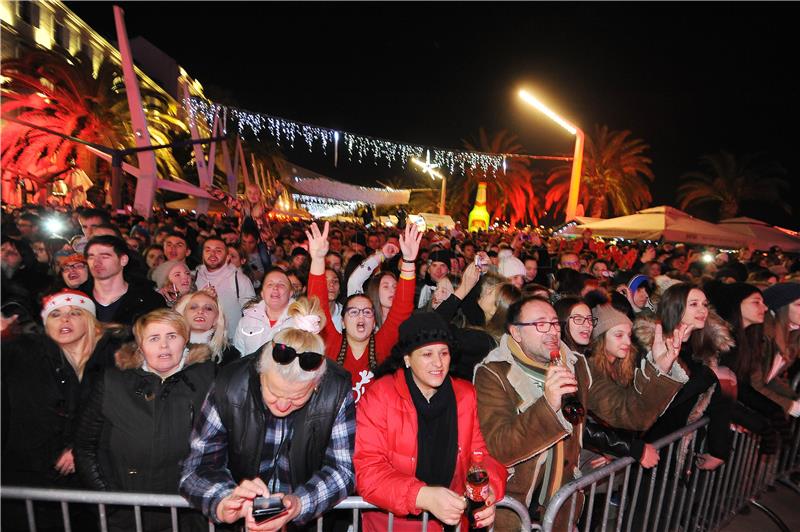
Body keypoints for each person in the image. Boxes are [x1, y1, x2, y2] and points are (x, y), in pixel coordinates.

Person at [473, 296, 685, 530]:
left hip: (559, 507)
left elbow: (627, 412)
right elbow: (500, 448)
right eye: (541, 324)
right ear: (516, 332)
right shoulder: (494, 374)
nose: (552, 331)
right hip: (512, 508)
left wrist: (660, 367)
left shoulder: (576, 365)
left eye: (554, 323)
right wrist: (548, 404)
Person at [179, 297, 355, 530]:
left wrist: (299, 503)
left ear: (316, 385)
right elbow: (196, 466)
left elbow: (342, 470)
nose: (282, 405)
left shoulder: (336, 388)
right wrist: (224, 500)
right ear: (260, 372)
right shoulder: (229, 383)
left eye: (296, 398)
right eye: (272, 392)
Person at [355, 312, 506, 531]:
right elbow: (368, 471)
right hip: (393, 525)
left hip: (451, 524)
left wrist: (488, 487)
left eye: (444, 353)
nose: (438, 363)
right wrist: (421, 496)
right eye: (427, 354)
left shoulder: (465, 394)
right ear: (407, 358)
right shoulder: (380, 396)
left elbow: (479, 454)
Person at [75, 309, 215, 532]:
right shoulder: (112, 382)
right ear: (140, 345)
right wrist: (108, 498)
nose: (164, 346)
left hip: (187, 513)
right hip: (127, 514)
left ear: (185, 341)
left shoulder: (208, 379)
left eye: (172, 336)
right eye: (154, 338)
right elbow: (84, 446)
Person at [2, 289, 130, 530]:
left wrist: (78, 447)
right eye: (56, 314)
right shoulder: (21, 353)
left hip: (87, 483)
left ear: (90, 320)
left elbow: (119, 415)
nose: (64, 319)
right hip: (25, 477)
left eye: (74, 313)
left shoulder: (116, 359)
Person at [307, 221, 419, 399]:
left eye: (367, 312)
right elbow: (317, 305)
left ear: (374, 321)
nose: (361, 316)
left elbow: (401, 309)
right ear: (342, 321)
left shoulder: (383, 344)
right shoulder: (331, 344)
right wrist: (318, 259)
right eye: (353, 312)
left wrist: (409, 261)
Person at [84, 235, 165, 325]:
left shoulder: (149, 301)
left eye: (104, 256)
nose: (96, 262)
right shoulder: (78, 299)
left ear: (123, 260)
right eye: (91, 257)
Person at [194, 237, 256, 339]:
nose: (212, 254)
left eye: (218, 251)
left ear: (227, 257)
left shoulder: (239, 280)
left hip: (230, 342)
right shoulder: (194, 276)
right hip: (199, 340)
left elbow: (252, 313)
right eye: (208, 250)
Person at [233, 267, 296, 355]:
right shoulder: (246, 321)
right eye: (270, 284)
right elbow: (239, 357)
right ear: (262, 293)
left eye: (281, 284)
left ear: (290, 293)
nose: (275, 288)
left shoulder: (301, 322)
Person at [174, 290, 240, 366]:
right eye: (193, 307)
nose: (200, 311)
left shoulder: (230, 356)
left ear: (216, 319)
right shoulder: (169, 348)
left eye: (208, 308)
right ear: (183, 314)